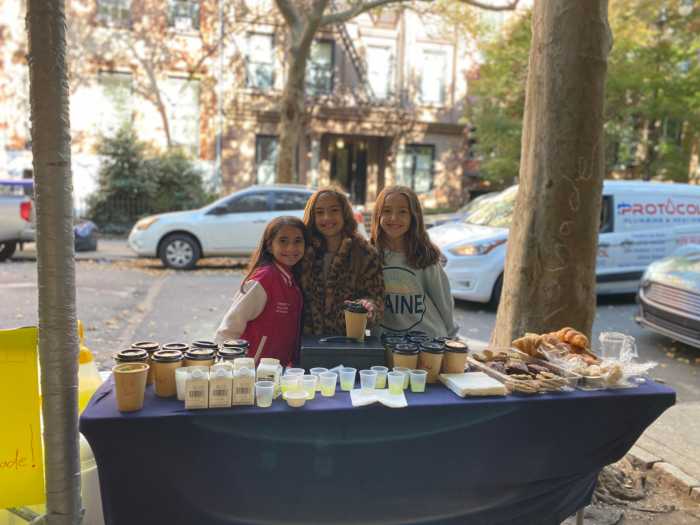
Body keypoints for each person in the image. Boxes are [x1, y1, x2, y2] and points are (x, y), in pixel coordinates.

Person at [215, 216, 305, 366]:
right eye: (283, 241)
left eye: (298, 241)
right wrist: (225, 368)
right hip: (251, 372)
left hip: (275, 372)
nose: (291, 248)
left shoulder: (291, 279)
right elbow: (229, 328)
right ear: (270, 246)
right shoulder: (263, 280)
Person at [370, 186, 457, 338]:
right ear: (378, 215)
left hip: (427, 342)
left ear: (414, 216)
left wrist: (451, 338)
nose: (394, 218)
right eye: (387, 211)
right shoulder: (368, 255)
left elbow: (443, 302)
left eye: (403, 212)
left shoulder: (424, 256)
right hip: (384, 345)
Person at [300, 188, 384, 335]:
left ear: (344, 213)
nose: (327, 217)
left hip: (348, 342)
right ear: (313, 217)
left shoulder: (365, 253)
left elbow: (376, 297)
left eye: (334, 210)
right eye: (319, 212)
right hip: (307, 341)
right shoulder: (303, 252)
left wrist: (368, 305)